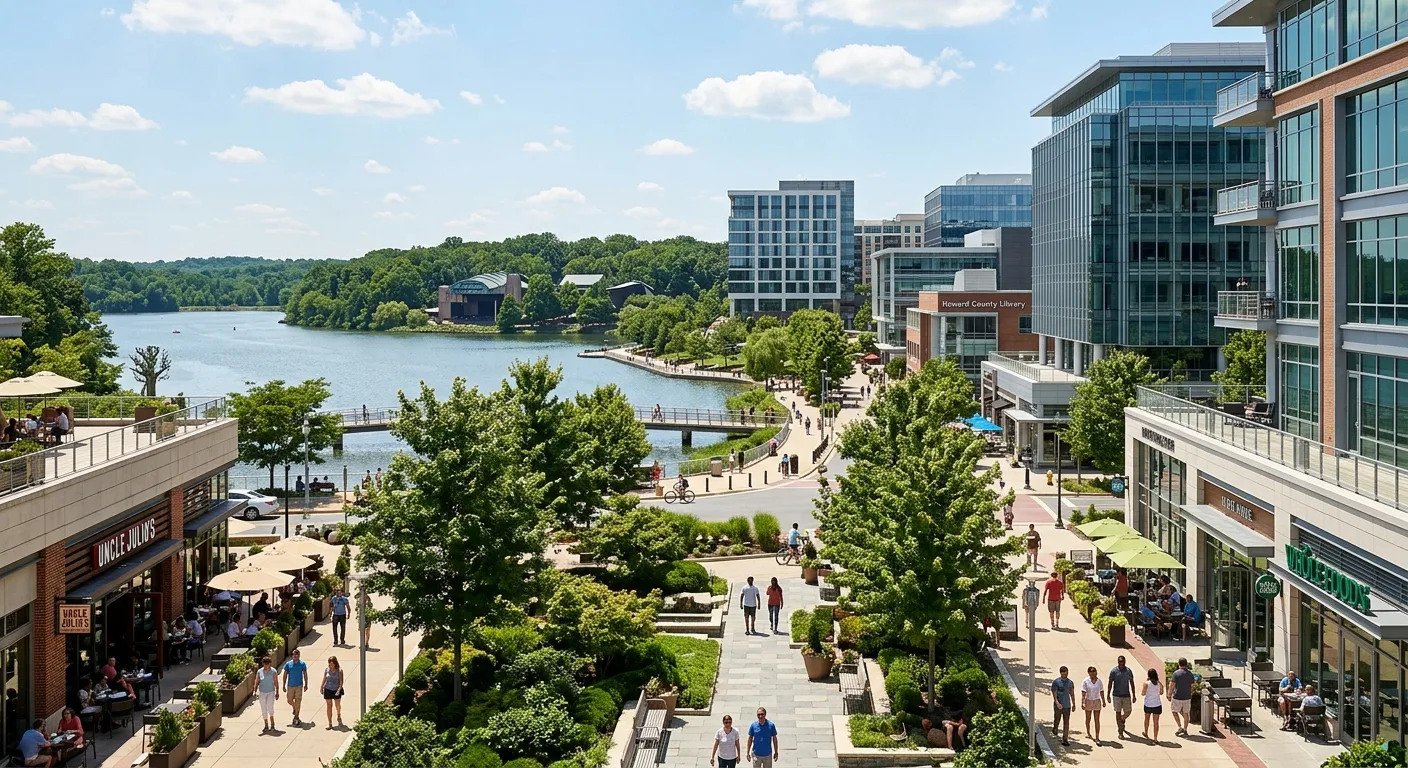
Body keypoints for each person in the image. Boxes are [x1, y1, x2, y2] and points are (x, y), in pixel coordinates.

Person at [1107, 655, 1135, 739]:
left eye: (1122, 661)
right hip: (1117, 695)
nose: (1121, 663)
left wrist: (1134, 695)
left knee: (1128, 711)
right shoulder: (1114, 671)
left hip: (1126, 695)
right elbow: (1110, 683)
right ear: (1118, 662)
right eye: (1120, 662)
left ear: (1125, 662)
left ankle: (1122, 719)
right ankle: (1120, 731)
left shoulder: (1128, 671)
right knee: (1117, 712)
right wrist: (1108, 694)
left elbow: (1132, 683)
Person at [1169, 657, 1194, 737]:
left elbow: (1172, 685)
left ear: (1179, 664)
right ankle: (1185, 729)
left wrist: (1169, 694)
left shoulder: (1176, 673)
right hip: (1187, 697)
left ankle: (1180, 727)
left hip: (1177, 696)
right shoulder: (1190, 674)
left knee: (1174, 711)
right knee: (1186, 713)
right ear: (1186, 664)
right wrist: (1190, 694)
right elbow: (1192, 686)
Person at [283, 649, 309, 726]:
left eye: (296, 654)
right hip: (290, 685)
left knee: (298, 701)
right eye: (294, 654)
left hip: (299, 686)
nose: (295, 656)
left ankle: (296, 717)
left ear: (299, 656)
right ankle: (294, 707)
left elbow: (305, 674)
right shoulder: (288, 664)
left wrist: (306, 684)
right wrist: (283, 685)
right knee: (289, 700)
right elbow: (285, 674)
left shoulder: (302, 664)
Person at [1080, 666, 1106, 744]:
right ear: (1089, 673)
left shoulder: (1099, 681)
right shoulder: (1086, 681)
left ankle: (1097, 737)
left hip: (1097, 701)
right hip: (1088, 701)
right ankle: (1088, 732)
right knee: (1088, 718)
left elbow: (1101, 691)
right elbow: (1083, 693)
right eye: (1091, 672)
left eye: (1094, 672)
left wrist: (1103, 700)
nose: (1093, 674)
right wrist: (1083, 702)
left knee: (1097, 720)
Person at [1051, 666, 1075, 747]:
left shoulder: (1070, 683)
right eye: (1063, 672)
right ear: (1060, 673)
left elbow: (1072, 694)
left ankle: (1065, 739)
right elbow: (1054, 694)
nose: (1065, 673)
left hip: (1067, 705)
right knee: (1057, 719)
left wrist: (1074, 704)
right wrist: (1057, 703)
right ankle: (1055, 729)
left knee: (1066, 723)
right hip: (1059, 705)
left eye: (1066, 672)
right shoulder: (1056, 682)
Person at [256, 655, 280, 732]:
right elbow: (257, 681)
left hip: (271, 692)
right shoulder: (260, 671)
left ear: (270, 663)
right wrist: (254, 690)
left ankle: (272, 723)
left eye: (267, 663)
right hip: (262, 692)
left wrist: (277, 692)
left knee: (270, 707)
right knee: (263, 708)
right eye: (264, 663)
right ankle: (266, 724)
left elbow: (276, 682)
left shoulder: (273, 671)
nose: (266, 665)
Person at [321, 656, 344, 729]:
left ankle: (338, 714)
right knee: (329, 706)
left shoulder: (339, 670)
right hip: (327, 689)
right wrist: (321, 686)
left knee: (337, 705)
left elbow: (341, 682)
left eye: (332, 664)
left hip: (336, 690)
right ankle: (330, 723)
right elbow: (324, 678)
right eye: (329, 664)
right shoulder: (327, 670)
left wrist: (338, 690)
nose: (330, 665)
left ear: (335, 663)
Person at [1141, 668, 1163, 743]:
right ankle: (1155, 738)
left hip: (1148, 704)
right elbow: (1161, 692)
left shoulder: (1146, 683)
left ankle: (1146, 732)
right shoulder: (1159, 684)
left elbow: (1143, 693)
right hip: (1157, 704)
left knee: (1147, 719)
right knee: (1156, 722)